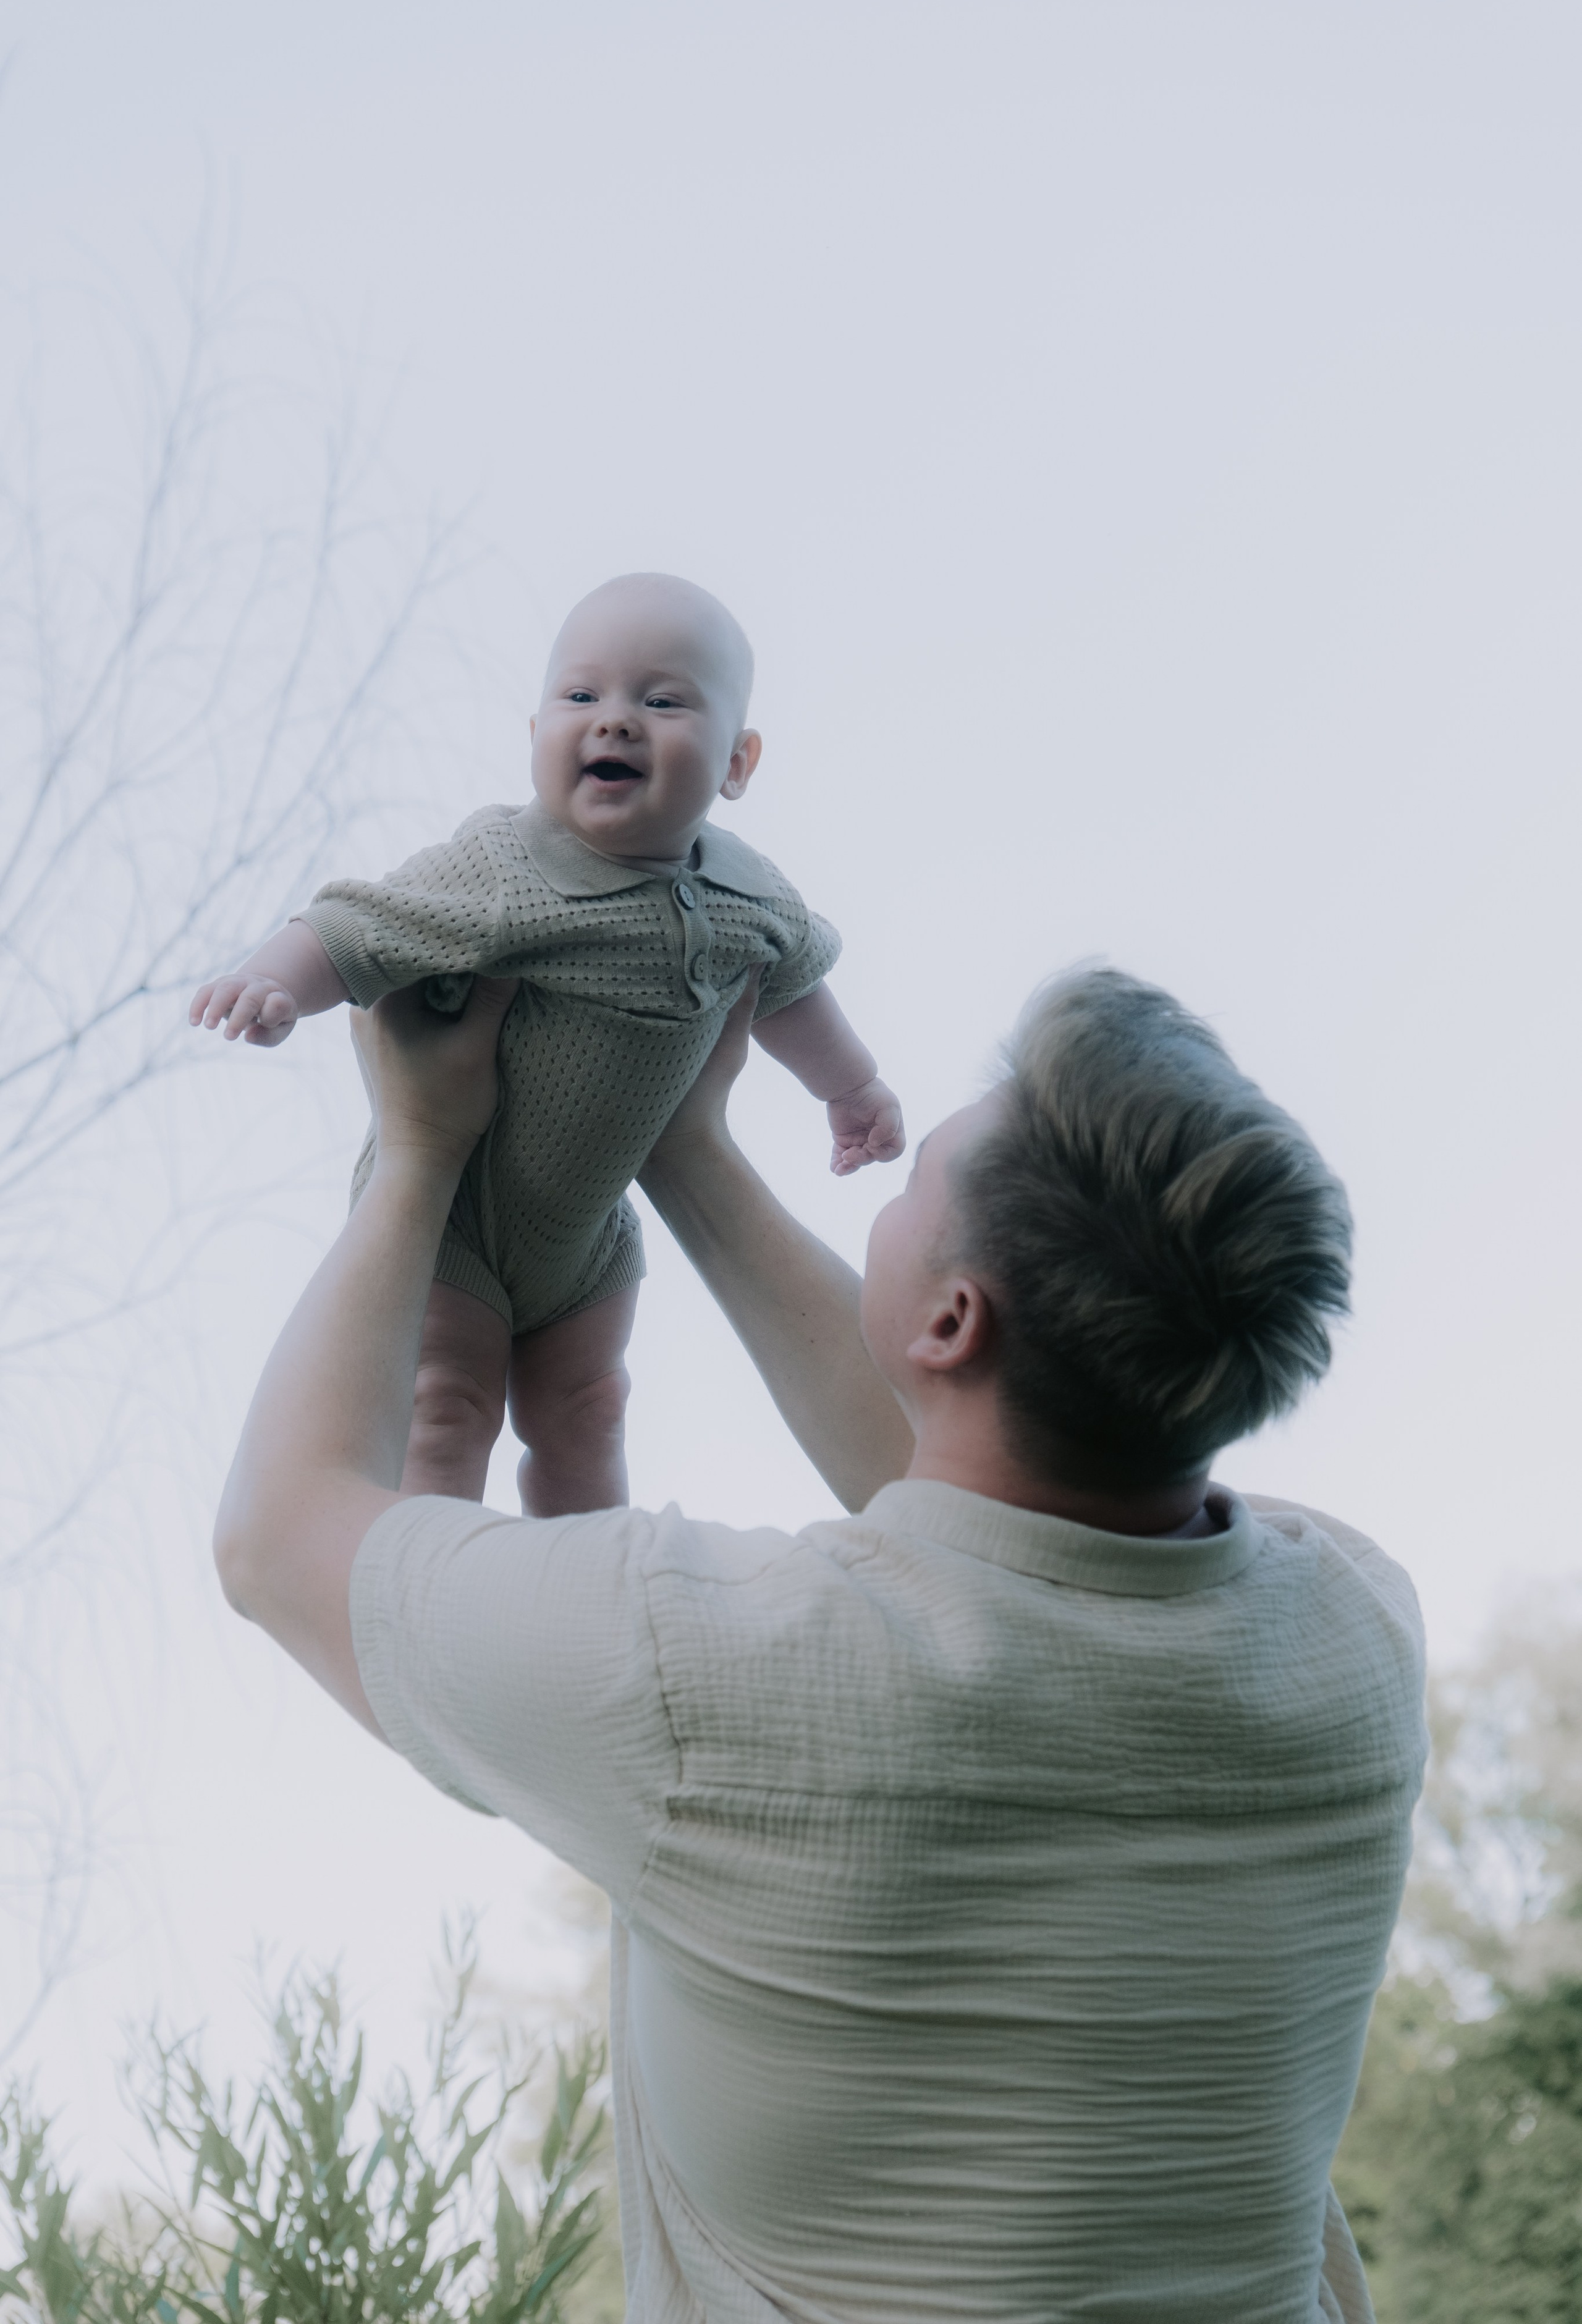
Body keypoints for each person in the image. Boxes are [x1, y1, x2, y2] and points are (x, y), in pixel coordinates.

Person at [213, 962, 1426, 2324]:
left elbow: (279, 1533)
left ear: (955, 1316)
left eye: (919, 1184)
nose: (891, 1197)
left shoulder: (705, 1676)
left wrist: (418, 1156)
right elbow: (1003, 1509)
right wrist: (685, 1148)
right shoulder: (1353, 1640)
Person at [188, 572, 903, 1513]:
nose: (614, 721)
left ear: (738, 761)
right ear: (535, 742)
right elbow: (358, 923)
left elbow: (793, 990)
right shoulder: (504, 869)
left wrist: (851, 1088)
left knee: (591, 1411)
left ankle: (590, 1589)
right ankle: (443, 1602)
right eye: (580, 697)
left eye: (662, 700)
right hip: (456, 1216)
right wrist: (276, 978)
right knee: (448, 1409)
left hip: (588, 1232)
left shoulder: (752, 897)